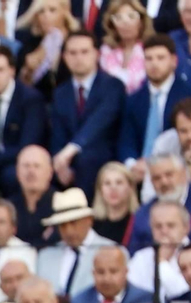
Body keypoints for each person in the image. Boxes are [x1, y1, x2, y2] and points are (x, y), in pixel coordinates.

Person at [48, 30, 125, 196]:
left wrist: (70, 150)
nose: (78, 58)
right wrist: (59, 163)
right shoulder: (61, 92)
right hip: (69, 161)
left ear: (96, 54)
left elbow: (99, 121)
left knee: (87, 159)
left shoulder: (113, 85)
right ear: (64, 57)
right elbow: (58, 134)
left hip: (104, 157)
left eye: (84, 52)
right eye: (72, 53)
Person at [0, 45, 50, 192]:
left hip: (20, 162)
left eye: (0, 70)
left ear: (12, 71)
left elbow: (27, 146)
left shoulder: (30, 99)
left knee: (10, 175)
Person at [128, 152, 191, 249]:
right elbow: (135, 254)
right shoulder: (143, 213)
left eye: (169, 175)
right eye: (157, 178)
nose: (164, 182)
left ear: (184, 174)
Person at [119, 35, 188, 165]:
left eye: (160, 58)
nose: (154, 64)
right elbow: (126, 140)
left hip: (175, 166)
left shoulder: (188, 96)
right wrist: (132, 165)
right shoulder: (133, 99)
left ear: (174, 61)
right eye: (148, 59)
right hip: (138, 169)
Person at [36, 188, 115, 296]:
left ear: (89, 220)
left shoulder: (111, 251)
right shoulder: (46, 256)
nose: (68, 231)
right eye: (62, 225)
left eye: (73, 223)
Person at [69, 244, 150, 303]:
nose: (106, 279)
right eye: (100, 272)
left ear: (125, 272)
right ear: (93, 273)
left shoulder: (143, 299)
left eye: (113, 271)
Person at [127, 200, 191, 298]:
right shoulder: (141, 258)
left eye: (170, 225)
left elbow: (185, 294)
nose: (164, 231)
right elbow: (130, 296)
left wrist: (161, 262)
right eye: (158, 226)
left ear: (186, 228)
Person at [15, 0, 78, 97]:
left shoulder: (76, 41)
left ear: (64, 13)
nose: (46, 16)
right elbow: (20, 89)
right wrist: (28, 70)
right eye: (41, 11)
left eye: (52, 10)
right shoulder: (29, 45)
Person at [99, 0, 153, 93]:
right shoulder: (105, 51)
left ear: (141, 22)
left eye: (131, 16)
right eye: (118, 18)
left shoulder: (150, 50)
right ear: (112, 24)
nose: (125, 23)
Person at [12, 145, 59, 247]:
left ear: (50, 172)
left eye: (37, 166)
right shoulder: (8, 207)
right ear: (17, 171)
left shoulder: (62, 203)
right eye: (26, 166)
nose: (31, 172)